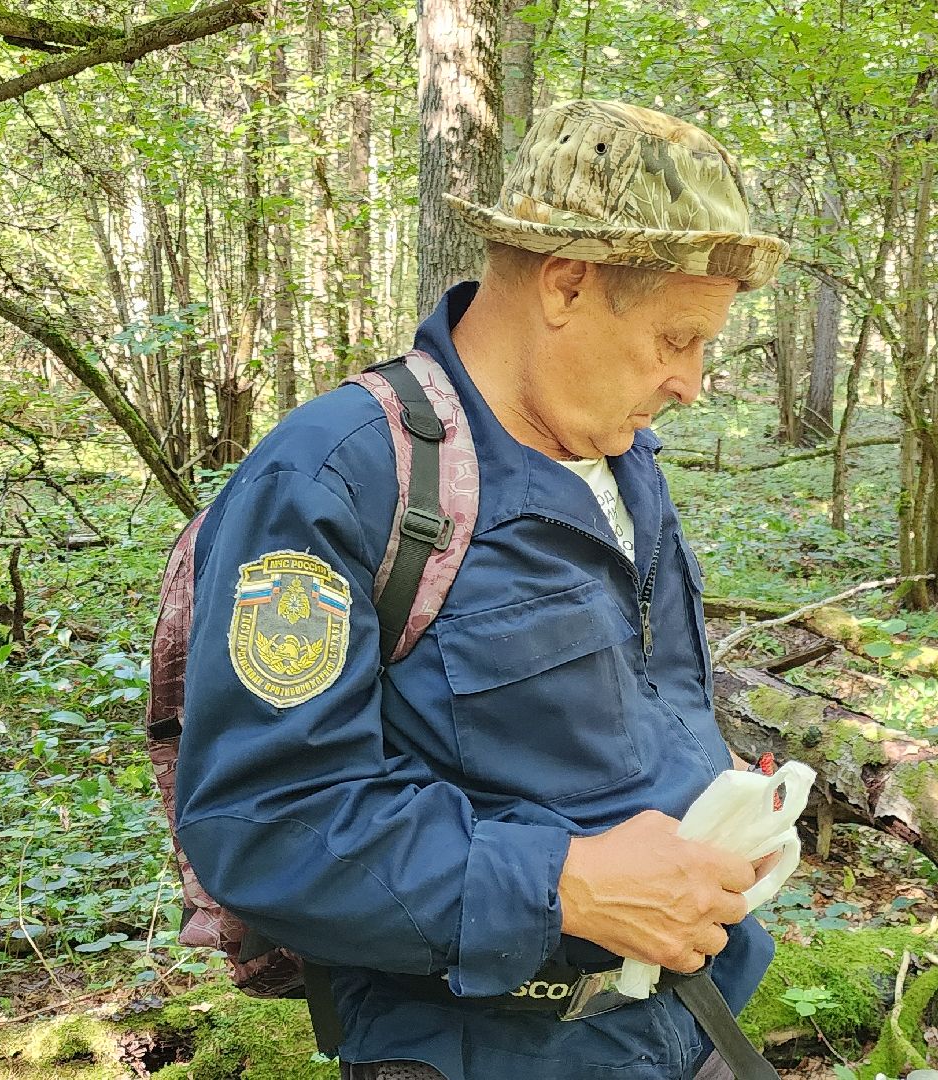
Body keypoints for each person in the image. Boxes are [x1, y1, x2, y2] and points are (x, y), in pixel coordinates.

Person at [173, 99, 791, 1080]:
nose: (693, 381)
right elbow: (265, 827)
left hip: (695, 1024)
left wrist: (716, 824)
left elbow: (643, 714)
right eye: (678, 338)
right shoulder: (340, 483)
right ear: (568, 284)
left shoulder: (625, 464)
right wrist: (566, 887)